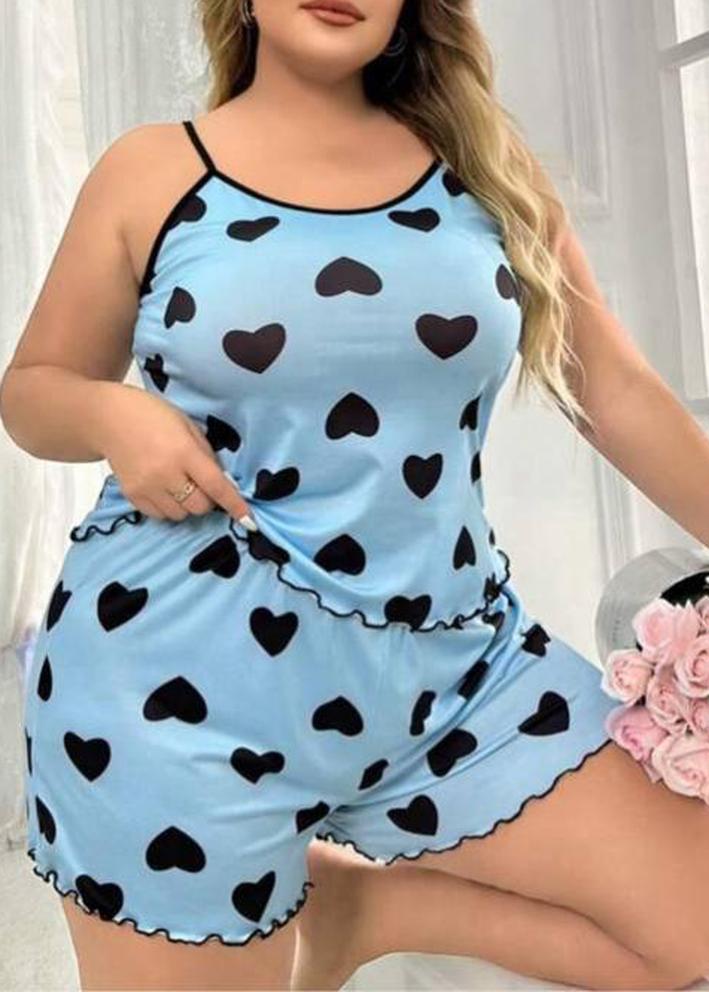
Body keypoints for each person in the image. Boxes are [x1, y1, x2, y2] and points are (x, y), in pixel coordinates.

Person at [3, 1, 709, 989]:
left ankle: (364, 908)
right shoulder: (150, 170)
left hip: (457, 670)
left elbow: (614, 389)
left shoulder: (485, 167)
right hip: (176, 689)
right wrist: (113, 414)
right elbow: (32, 390)